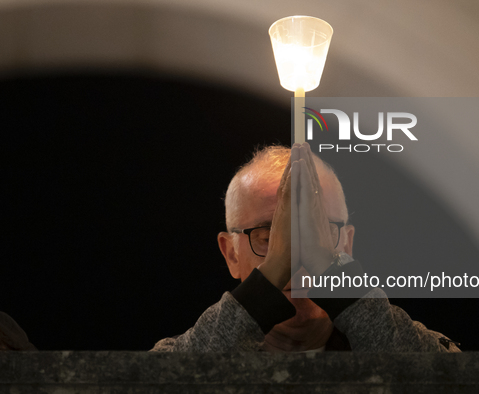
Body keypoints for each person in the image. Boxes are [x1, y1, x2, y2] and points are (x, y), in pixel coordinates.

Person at [151, 143, 460, 353]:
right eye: (269, 236)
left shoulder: (417, 346)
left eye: (319, 233)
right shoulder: (175, 357)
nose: (298, 259)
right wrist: (269, 277)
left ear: (347, 245)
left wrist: (334, 276)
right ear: (231, 253)